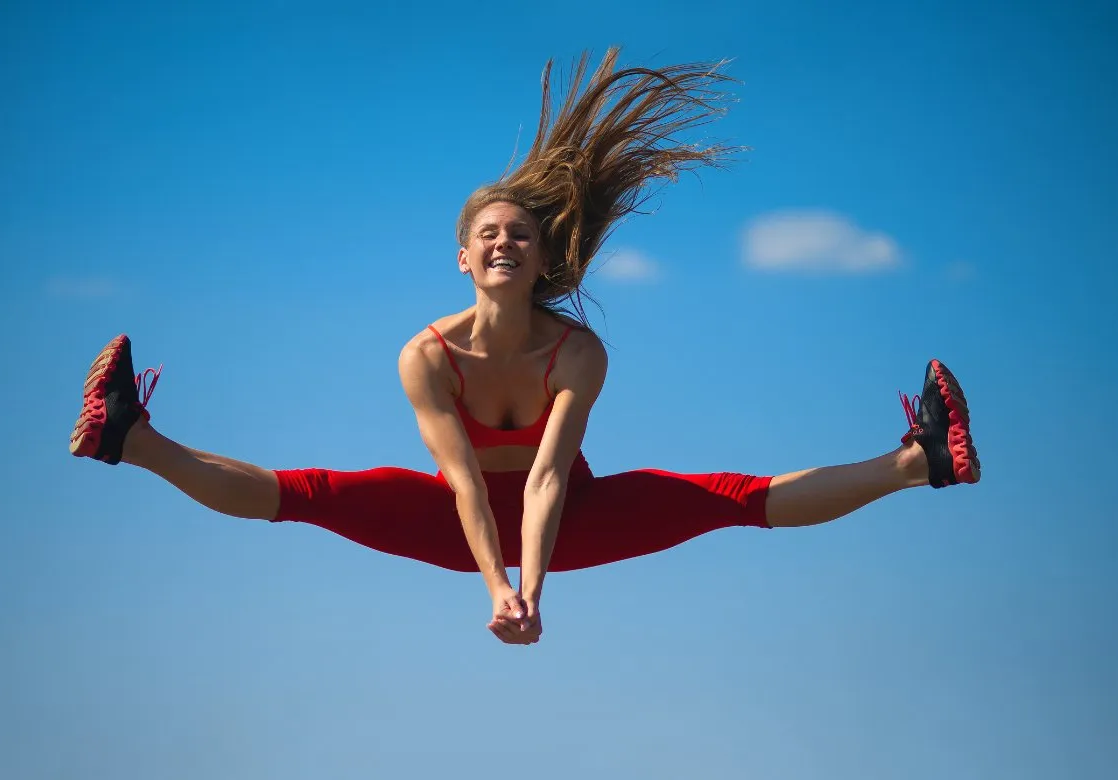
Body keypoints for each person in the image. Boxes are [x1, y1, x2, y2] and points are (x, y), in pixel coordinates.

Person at [67, 49, 980, 646]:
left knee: (730, 501)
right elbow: (466, 481)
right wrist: (493, 587)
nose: (504, 242)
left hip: (566, 519)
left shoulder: (576, 355)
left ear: (544, 257)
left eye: (521, 234)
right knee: (303, 495)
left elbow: (545, 478)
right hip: (454, 521)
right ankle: (130, 438)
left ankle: (920, 462)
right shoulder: (425, 356)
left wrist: (531, 589)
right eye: (487, 234)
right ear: (462, 257)